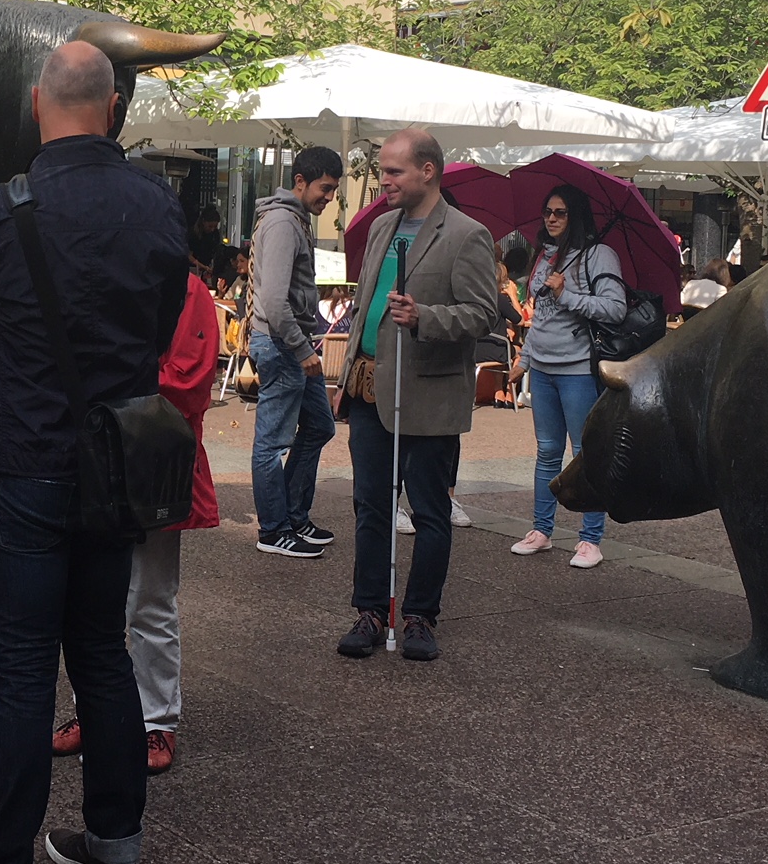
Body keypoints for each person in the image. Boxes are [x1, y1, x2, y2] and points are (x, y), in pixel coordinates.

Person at [0, 40, 187, 864]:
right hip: (116, 463)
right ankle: (115, 846)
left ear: (38, 106)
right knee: (102, 654)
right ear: (113, 108)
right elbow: (157, 323)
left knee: (23, 668)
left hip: (25, 456)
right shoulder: (157, 205)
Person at [51, 253, 219, 775]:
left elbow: (188, 380)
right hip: (97, 455)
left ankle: (155, 720)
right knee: (94, 599)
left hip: (151, 461)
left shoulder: (189, 289)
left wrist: (106, 385)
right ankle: (94, 709)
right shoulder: (101, 274)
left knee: (149, 599)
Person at [336, 129, 496, 662]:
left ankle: (421, 616)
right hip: (368, 389)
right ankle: (369, 610)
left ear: (428, 171)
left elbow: (483, 314)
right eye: (383, 170)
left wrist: (425, 317)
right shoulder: (382, 227)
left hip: (427, 393)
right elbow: (365, 304)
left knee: (429, 512)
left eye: (395, 171)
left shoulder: (467, 234)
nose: (384, 180)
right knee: (370, 508)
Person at [507, 182, 628, 569]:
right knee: (546, 452)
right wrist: (524, 358)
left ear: (575, 215)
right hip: (541, 368)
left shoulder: (599, 256)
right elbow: (540, 317)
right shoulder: (544, 256)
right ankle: (542, 530)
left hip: (577, 369)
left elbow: (615, 309)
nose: (552, 219)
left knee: (584, 452)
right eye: (548, 212)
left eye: (560, 212)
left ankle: (591, 538)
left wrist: (567, 295)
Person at [247, 145, 343, 559]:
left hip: (287, 342)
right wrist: (303, 349)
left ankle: (291, 515)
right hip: (283, 344)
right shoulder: (285, 223)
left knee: (320, 427)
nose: (330, 197)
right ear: (299, 182)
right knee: (271, 443)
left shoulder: (293, 219)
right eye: (325, 188)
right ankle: (274, 529)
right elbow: (274, 300)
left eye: (335, 190)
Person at [189, 204, 224, 275]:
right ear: (203, 222)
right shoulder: (193, 234)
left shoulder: (215, 234)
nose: (212, 229)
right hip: (193, 267)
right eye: (210, 226)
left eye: (215, 226)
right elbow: (188, 256)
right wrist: (203, 266)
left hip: (207, 267)